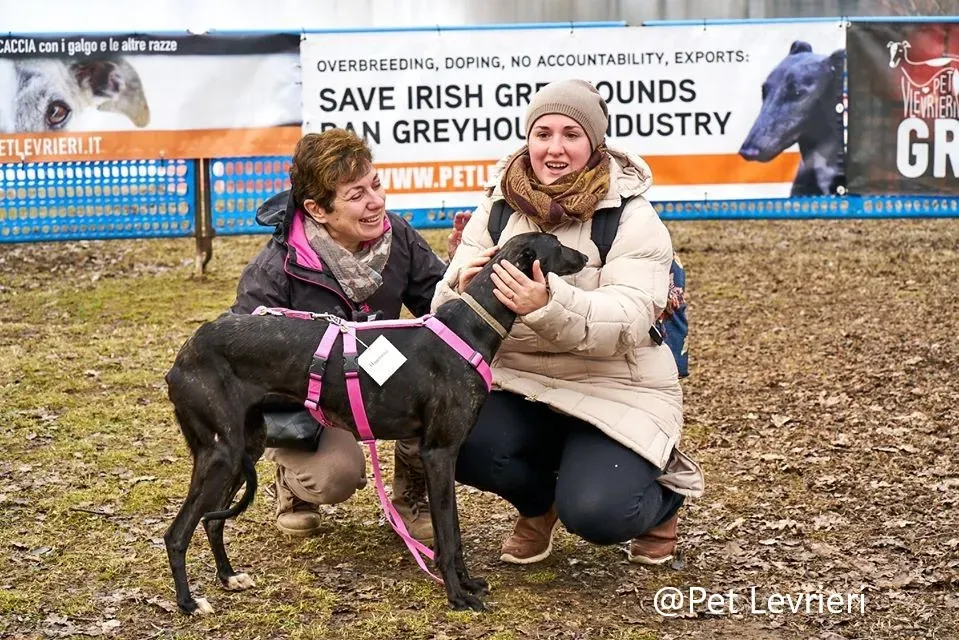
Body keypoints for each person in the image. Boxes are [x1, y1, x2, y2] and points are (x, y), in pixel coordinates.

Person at [432, 79, 704, 565]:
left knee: (600, 514)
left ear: (595, 144)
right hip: (521, 384)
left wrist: (546, 305)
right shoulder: (495, 208)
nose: (554, 149)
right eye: (542, 134)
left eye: (571, 135)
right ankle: (539, 505)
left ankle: (662, 504)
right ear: (527, 139)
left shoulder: (631, 217)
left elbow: (629, 318)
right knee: (455, 438)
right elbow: (443, 318)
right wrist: (459, 287)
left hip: (615, 388)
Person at [230, 129, 447, 545]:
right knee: (337, 477)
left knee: (447, 390)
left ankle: (410, 496)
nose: (376, 202)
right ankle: (294, 488)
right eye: (356, 194)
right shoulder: (277, 270)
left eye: (376, 185)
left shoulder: (397, 237)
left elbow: (438, 309)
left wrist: (460, 274)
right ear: (317, 209)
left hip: (381, 377)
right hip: (311, 397)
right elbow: (245, 361)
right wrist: (295, 412)